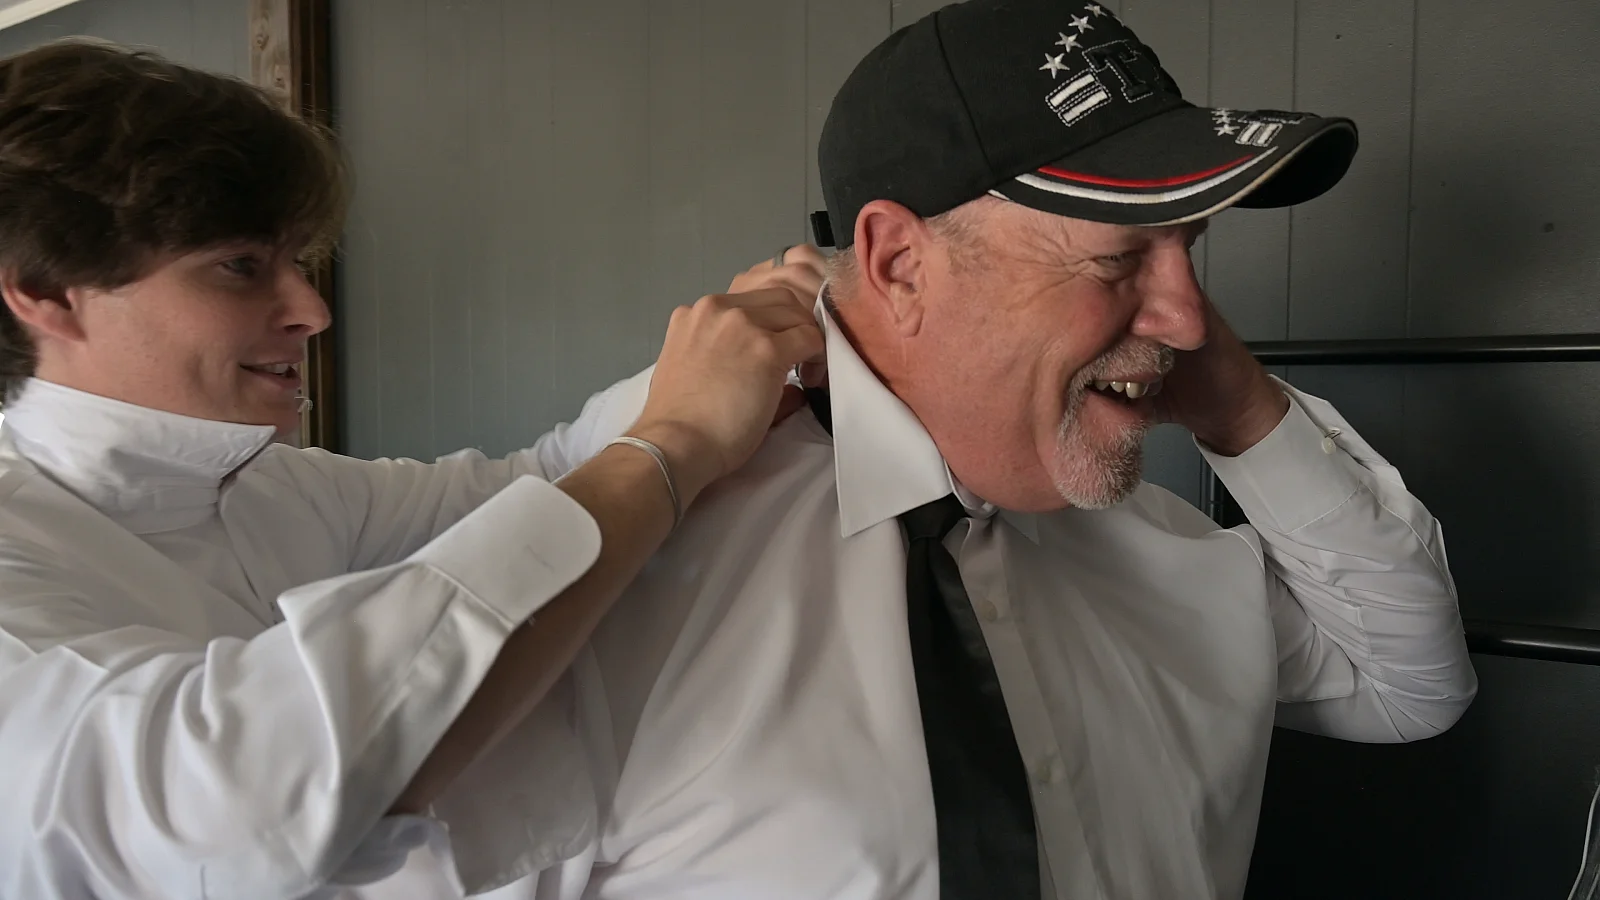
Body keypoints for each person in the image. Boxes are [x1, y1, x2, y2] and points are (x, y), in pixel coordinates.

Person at [490, 2, 1479, 899]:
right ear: (898, 264)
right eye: (1118, 255)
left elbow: (1412, 688)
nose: (1188, 320)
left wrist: (1241, 407)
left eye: (1188, 249)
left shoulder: (1166, 553)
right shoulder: (615, 585)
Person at [0, 39, 826, 900]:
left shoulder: (272, 490)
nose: (311, 310)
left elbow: (538, 479)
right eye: (241, 267)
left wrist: (736, 344)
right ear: (47, 292)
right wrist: (676, 441)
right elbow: (239, 806)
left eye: (295, 262)